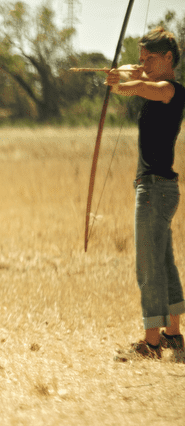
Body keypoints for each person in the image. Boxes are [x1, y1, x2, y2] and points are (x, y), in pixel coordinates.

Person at [107, 27, 185, 360]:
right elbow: (137, 76)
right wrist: (126, 72)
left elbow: (139, 85)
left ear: (169, 58)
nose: (143, 64)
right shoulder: (158, 84)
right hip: (157, 187)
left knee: (148, 266)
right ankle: (174, 336)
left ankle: (151, 344)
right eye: (141, 58)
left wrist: (122, 83)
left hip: (155, 189)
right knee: (163, 261)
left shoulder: (169, 89)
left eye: (150, 57)